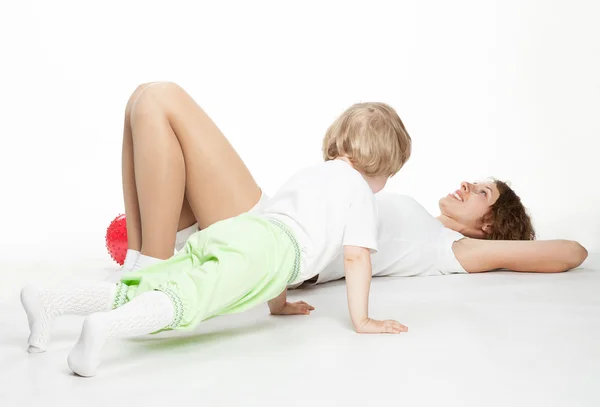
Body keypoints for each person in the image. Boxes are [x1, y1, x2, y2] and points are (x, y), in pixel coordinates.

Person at [19, 99, 413, 377]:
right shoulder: (359, 192)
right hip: (266, 252)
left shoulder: (313, 174)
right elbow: (355, 257)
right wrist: (362, 320)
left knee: (160, 280)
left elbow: (280, 233)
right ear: (380, 165)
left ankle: (52, 301)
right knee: (184, 300)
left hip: (241, 231)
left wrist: (277, 305)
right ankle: (102, 330)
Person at [103, 81, 586, 286]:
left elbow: (572, 252)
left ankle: (151, 272)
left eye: (482, 194)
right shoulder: (419, 215)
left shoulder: (453, 250)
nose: (467, 185)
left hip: (270, 243)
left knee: (160, 98)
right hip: (266, 225)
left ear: (486, 228)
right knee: (142, 101)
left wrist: (507, 249)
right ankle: (143, 262)